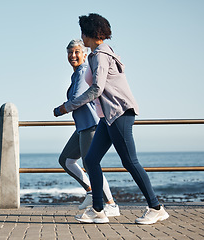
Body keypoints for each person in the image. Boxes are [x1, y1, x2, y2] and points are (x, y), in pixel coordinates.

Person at [54, 13, 169, 224]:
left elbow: (97, 88)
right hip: (107, 116)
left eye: (83, 33)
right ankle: (98, 209)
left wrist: (66, 107)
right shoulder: (98, 54)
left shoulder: (100, 55)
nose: (82, 36)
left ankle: (156, 207)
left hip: (119, 113)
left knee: (130, 161)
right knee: (91, 159)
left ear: (89, 33)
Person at [54, 39, 119, 217]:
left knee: (91, 165)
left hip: (91, 124)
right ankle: (91, 191)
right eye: (70, 52)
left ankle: (111, 204)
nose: (73, 55)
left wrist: (61, 109)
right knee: (66, 160)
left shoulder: (83, 72)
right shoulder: (76, 74)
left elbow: (77, 98)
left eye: (76, 52)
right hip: (82, 126)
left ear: (84, 54)